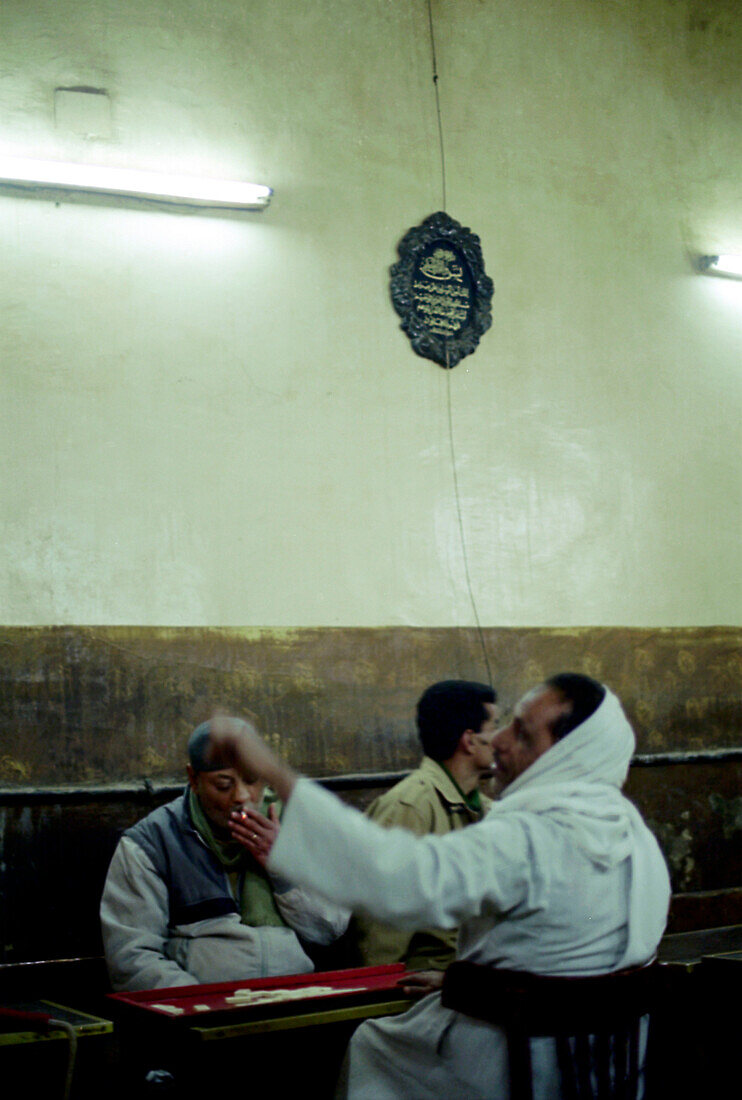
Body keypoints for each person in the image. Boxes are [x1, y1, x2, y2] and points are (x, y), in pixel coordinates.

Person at [216, 673, 671, 1099]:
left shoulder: (531, 837)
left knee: (372, 1045)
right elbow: (559, 961)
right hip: (607, 1075)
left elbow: (396, 877)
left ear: (567, 756)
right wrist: (470, 981)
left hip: (514, 1070)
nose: (501, 742)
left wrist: (274, 771)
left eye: (524, 734)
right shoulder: (636, 836)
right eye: (507, 724)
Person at [100, 718, 349, 991]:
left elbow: (329, 929)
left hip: (295, 998)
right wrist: (202, 1004)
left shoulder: (295, 823)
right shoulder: (153, 843)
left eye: (252, 780)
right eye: (223, 785)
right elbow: (132, 957)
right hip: (203, 1012)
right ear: (193, 779)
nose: (241, 796)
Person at [354, 679, 498, 970]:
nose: (505, 738)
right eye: (496, 727)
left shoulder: (486, 810)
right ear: (469, 741)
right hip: (423, 994)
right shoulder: (409, 808)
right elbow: (380, 935)